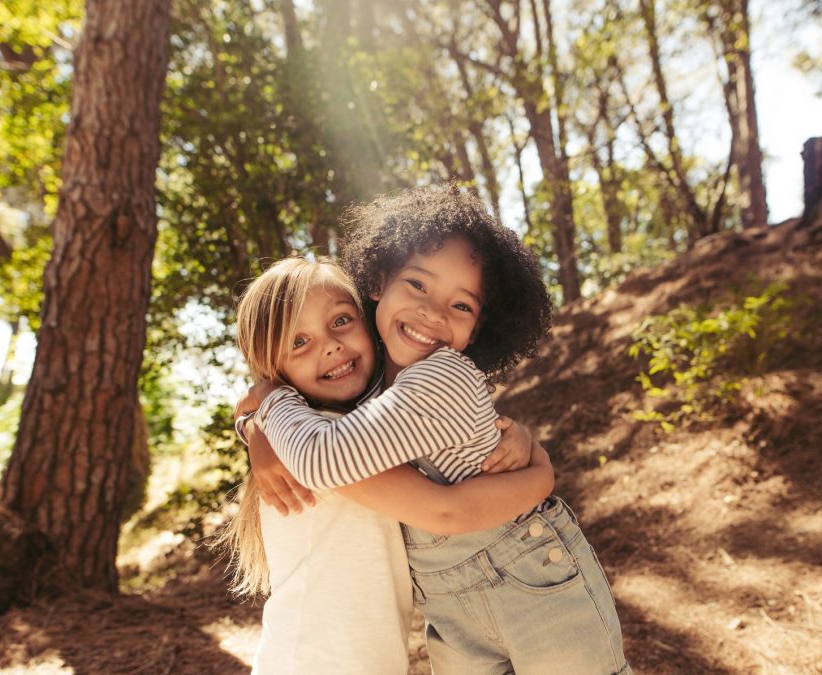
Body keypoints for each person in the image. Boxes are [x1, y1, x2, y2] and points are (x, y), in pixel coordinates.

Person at [246, 187, 633, 674]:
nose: (434, 313)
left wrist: (265, 399)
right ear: (379, 281)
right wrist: (253, 424)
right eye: (418, 285)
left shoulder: (443, 374)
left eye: (462, 306)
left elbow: (325, 459)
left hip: (532, 584)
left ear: (479, 330)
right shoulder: (370, 390)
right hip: (452, 607)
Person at [219, 256, 554, 675]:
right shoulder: (323, 444)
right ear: (273, 368)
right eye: (299, 342)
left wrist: (255, 423)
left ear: (368, 319)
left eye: (341, 321)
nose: (329, 345)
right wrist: (541, 473)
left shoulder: (354, 430)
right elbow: (445, 509)